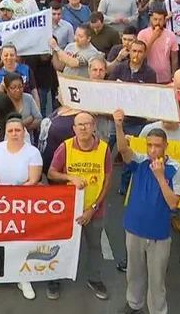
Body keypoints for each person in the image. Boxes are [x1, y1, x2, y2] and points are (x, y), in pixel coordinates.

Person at [113, 110, 180, 314]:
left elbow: (173, 203)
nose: (153, 150)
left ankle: (157, 310)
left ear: (166, 146)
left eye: (157, 146)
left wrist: (160, 176)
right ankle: (134, 304)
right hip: (134, 228)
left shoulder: (175, 168)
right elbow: (123, 150)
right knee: (134, 273)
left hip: (158, 234)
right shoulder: (141, 161)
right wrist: (118, 125)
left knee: (156, 278)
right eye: (149, 145)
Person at [47, 111, 112, 301]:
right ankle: (55, 278)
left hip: (94, 209)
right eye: (79, 125)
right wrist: (69, 177)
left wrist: (93, 208)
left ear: (94, 127)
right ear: (74, 128)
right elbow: (51, 173)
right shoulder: (65, 147)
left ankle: (94, 279)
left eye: (87, 124)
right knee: (61, 244)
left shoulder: (104, 149)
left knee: (94, 246)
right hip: (69, 209)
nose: (83, 128)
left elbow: (107, 180)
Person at [0, 116, 43, 300]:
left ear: (24, 132)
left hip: (22, 202)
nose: (14, 134)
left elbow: (33, 180)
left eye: (18, 130)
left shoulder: (33, 152)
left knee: (20, 241)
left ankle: (23, 278)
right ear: (6, 133)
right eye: (10, 131)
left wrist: (14, 195)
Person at [137, 8, 178, 84]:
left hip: (165, 77)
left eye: (160, 20)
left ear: (164, 20)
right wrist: (153, 38)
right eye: (155, 19)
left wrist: (174, 75)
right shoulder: (142, 34)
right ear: (150, 19)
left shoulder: (171, 35)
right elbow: (141, 55)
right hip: (147, 77)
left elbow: (174, 58)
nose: (157, 22)